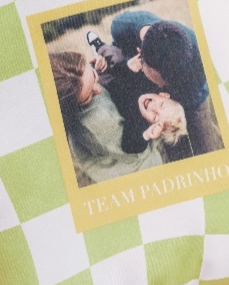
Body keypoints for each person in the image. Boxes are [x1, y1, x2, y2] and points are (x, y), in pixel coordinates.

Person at [107, 11, 223, 156]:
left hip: (193, 96)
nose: (160, 86)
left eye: (162, 84)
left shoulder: (198, 67)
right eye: (158, 81)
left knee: (204, 146)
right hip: (158, 95)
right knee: (174, 146)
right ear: (141, 54)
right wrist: (126, 66)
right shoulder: (127, 25)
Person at [49, 52, 162, 187]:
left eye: (94, 76)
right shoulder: (98, 123)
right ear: (71, 107)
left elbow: (84, 80)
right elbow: (135, 154)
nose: (98, 90)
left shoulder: (76, 77)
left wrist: (100, 68)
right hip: (132, 163)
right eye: (89, 96)